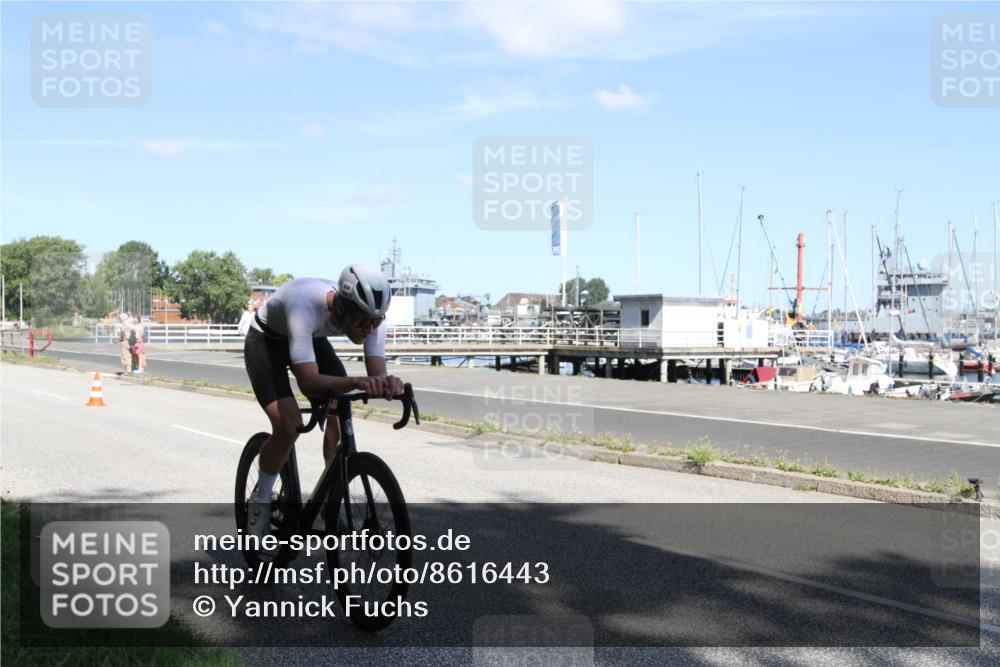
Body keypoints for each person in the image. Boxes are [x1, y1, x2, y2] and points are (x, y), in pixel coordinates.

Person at [243, 266, 403, 539]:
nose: (369, 329)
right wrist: (355, 382)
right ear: (340, 308)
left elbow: (376, 373)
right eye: (362, 322)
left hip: (310, 339)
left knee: (340, 406)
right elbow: (308, 381)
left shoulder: (373, 316)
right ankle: (261, 498)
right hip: (267, 342)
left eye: (374, 323)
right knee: (289, 426)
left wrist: (387, 383)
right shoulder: (304, 303)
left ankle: (332, 494)